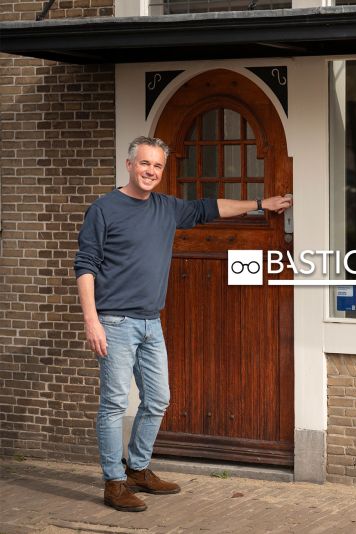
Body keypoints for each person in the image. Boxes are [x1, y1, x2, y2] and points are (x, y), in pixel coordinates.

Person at [74, 136, 292, 512]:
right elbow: (85, 265)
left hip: (150, 322)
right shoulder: (104, 209)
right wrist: (91, 321)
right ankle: (114, 482)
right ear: (129, 165)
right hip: (115, 321)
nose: (151, 171)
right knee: (114, 404)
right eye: (145, 163)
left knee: (158, 398)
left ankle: (137, 469)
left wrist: (262, 204)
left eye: (157, 166)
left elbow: (211, 207)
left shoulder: (166, 207)